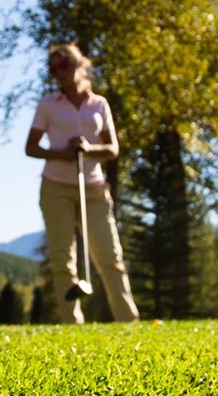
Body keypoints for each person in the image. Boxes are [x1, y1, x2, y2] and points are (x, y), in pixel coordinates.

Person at [24, 43, 139, 323]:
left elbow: (112, 149)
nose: (58, 73)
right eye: (52, 69)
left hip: (93, 186)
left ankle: (128, 320)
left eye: (63, 66)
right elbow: (31, 147)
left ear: (78, 65)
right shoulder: (48, 104)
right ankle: (72, 322)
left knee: (110, 255)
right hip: (56, 186)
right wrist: (62, 153)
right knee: (63, 259)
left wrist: (88, 149)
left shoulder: (99, 104)